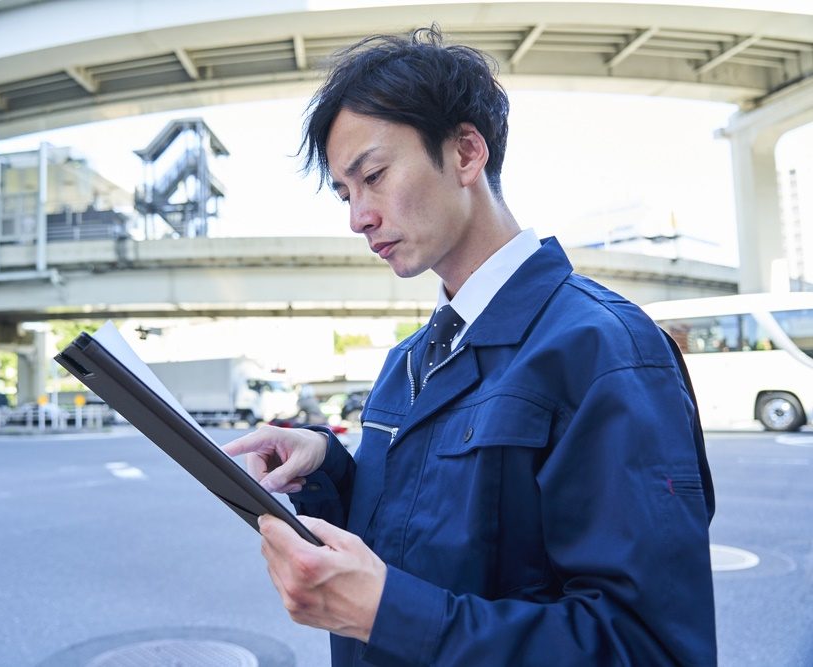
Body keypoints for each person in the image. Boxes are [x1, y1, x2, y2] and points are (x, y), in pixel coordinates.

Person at [223, 25, 716, 667]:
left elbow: (648, 648)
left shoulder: (603, 349)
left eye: (372, 176)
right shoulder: (407, 362)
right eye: (346, 194)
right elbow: (426, 536)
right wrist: (330, 467)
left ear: (465, 153)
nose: (357, 217)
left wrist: (384, 613)